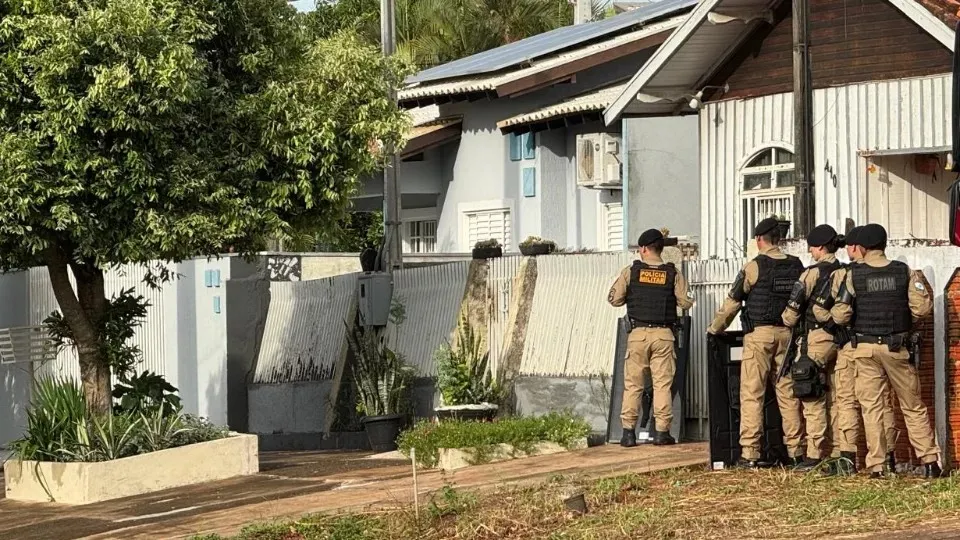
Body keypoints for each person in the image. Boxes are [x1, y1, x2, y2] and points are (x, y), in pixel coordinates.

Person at [830, 223, 942, 478]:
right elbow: (922, 308)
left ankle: (878, 466)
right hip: (896, 348)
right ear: (883, 245)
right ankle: (929, 462)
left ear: (862, 247)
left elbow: (841, 314)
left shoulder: (853, 276)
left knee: (873, 408)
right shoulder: (904, 272)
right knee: (912, 405)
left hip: (865, 349)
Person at [707, 217, 805, 468]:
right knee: (788, 395)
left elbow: (733, 302)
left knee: (752, 394)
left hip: (759, 337)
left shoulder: (754, 266)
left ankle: (750, 453)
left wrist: (715, 329)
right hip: (788, 336)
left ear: (759, 240)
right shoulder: (797, 265)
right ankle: (796, 452)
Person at [812, 226, 900, 476]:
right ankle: (888, 457)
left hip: (851, 348)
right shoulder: (892, 272)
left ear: (855, 247)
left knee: (847, 402)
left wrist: (832, 324)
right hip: (882, 345)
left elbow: (822, 310)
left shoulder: (843, 275)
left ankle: (847, 458)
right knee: (882, 404)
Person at [608, 228, 694, 447]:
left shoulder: (631, 271)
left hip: (637, 335)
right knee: (662, 385)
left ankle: (628, 433)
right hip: (664, 336)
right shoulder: (673, 273)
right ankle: (662, 433)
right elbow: (686, 302)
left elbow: (614, 299)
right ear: (661, 249)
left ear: (643, 249)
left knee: (633, 385)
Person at [781, 224, 844, 471]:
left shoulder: (811, 273)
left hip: (815, 340)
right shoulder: (844, 271)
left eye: (812, 247)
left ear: (819, 247)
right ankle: (840, 452)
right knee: (838, 398)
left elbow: (791, 313)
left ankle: (815, 454)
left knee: (811, 395)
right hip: (840, 339)